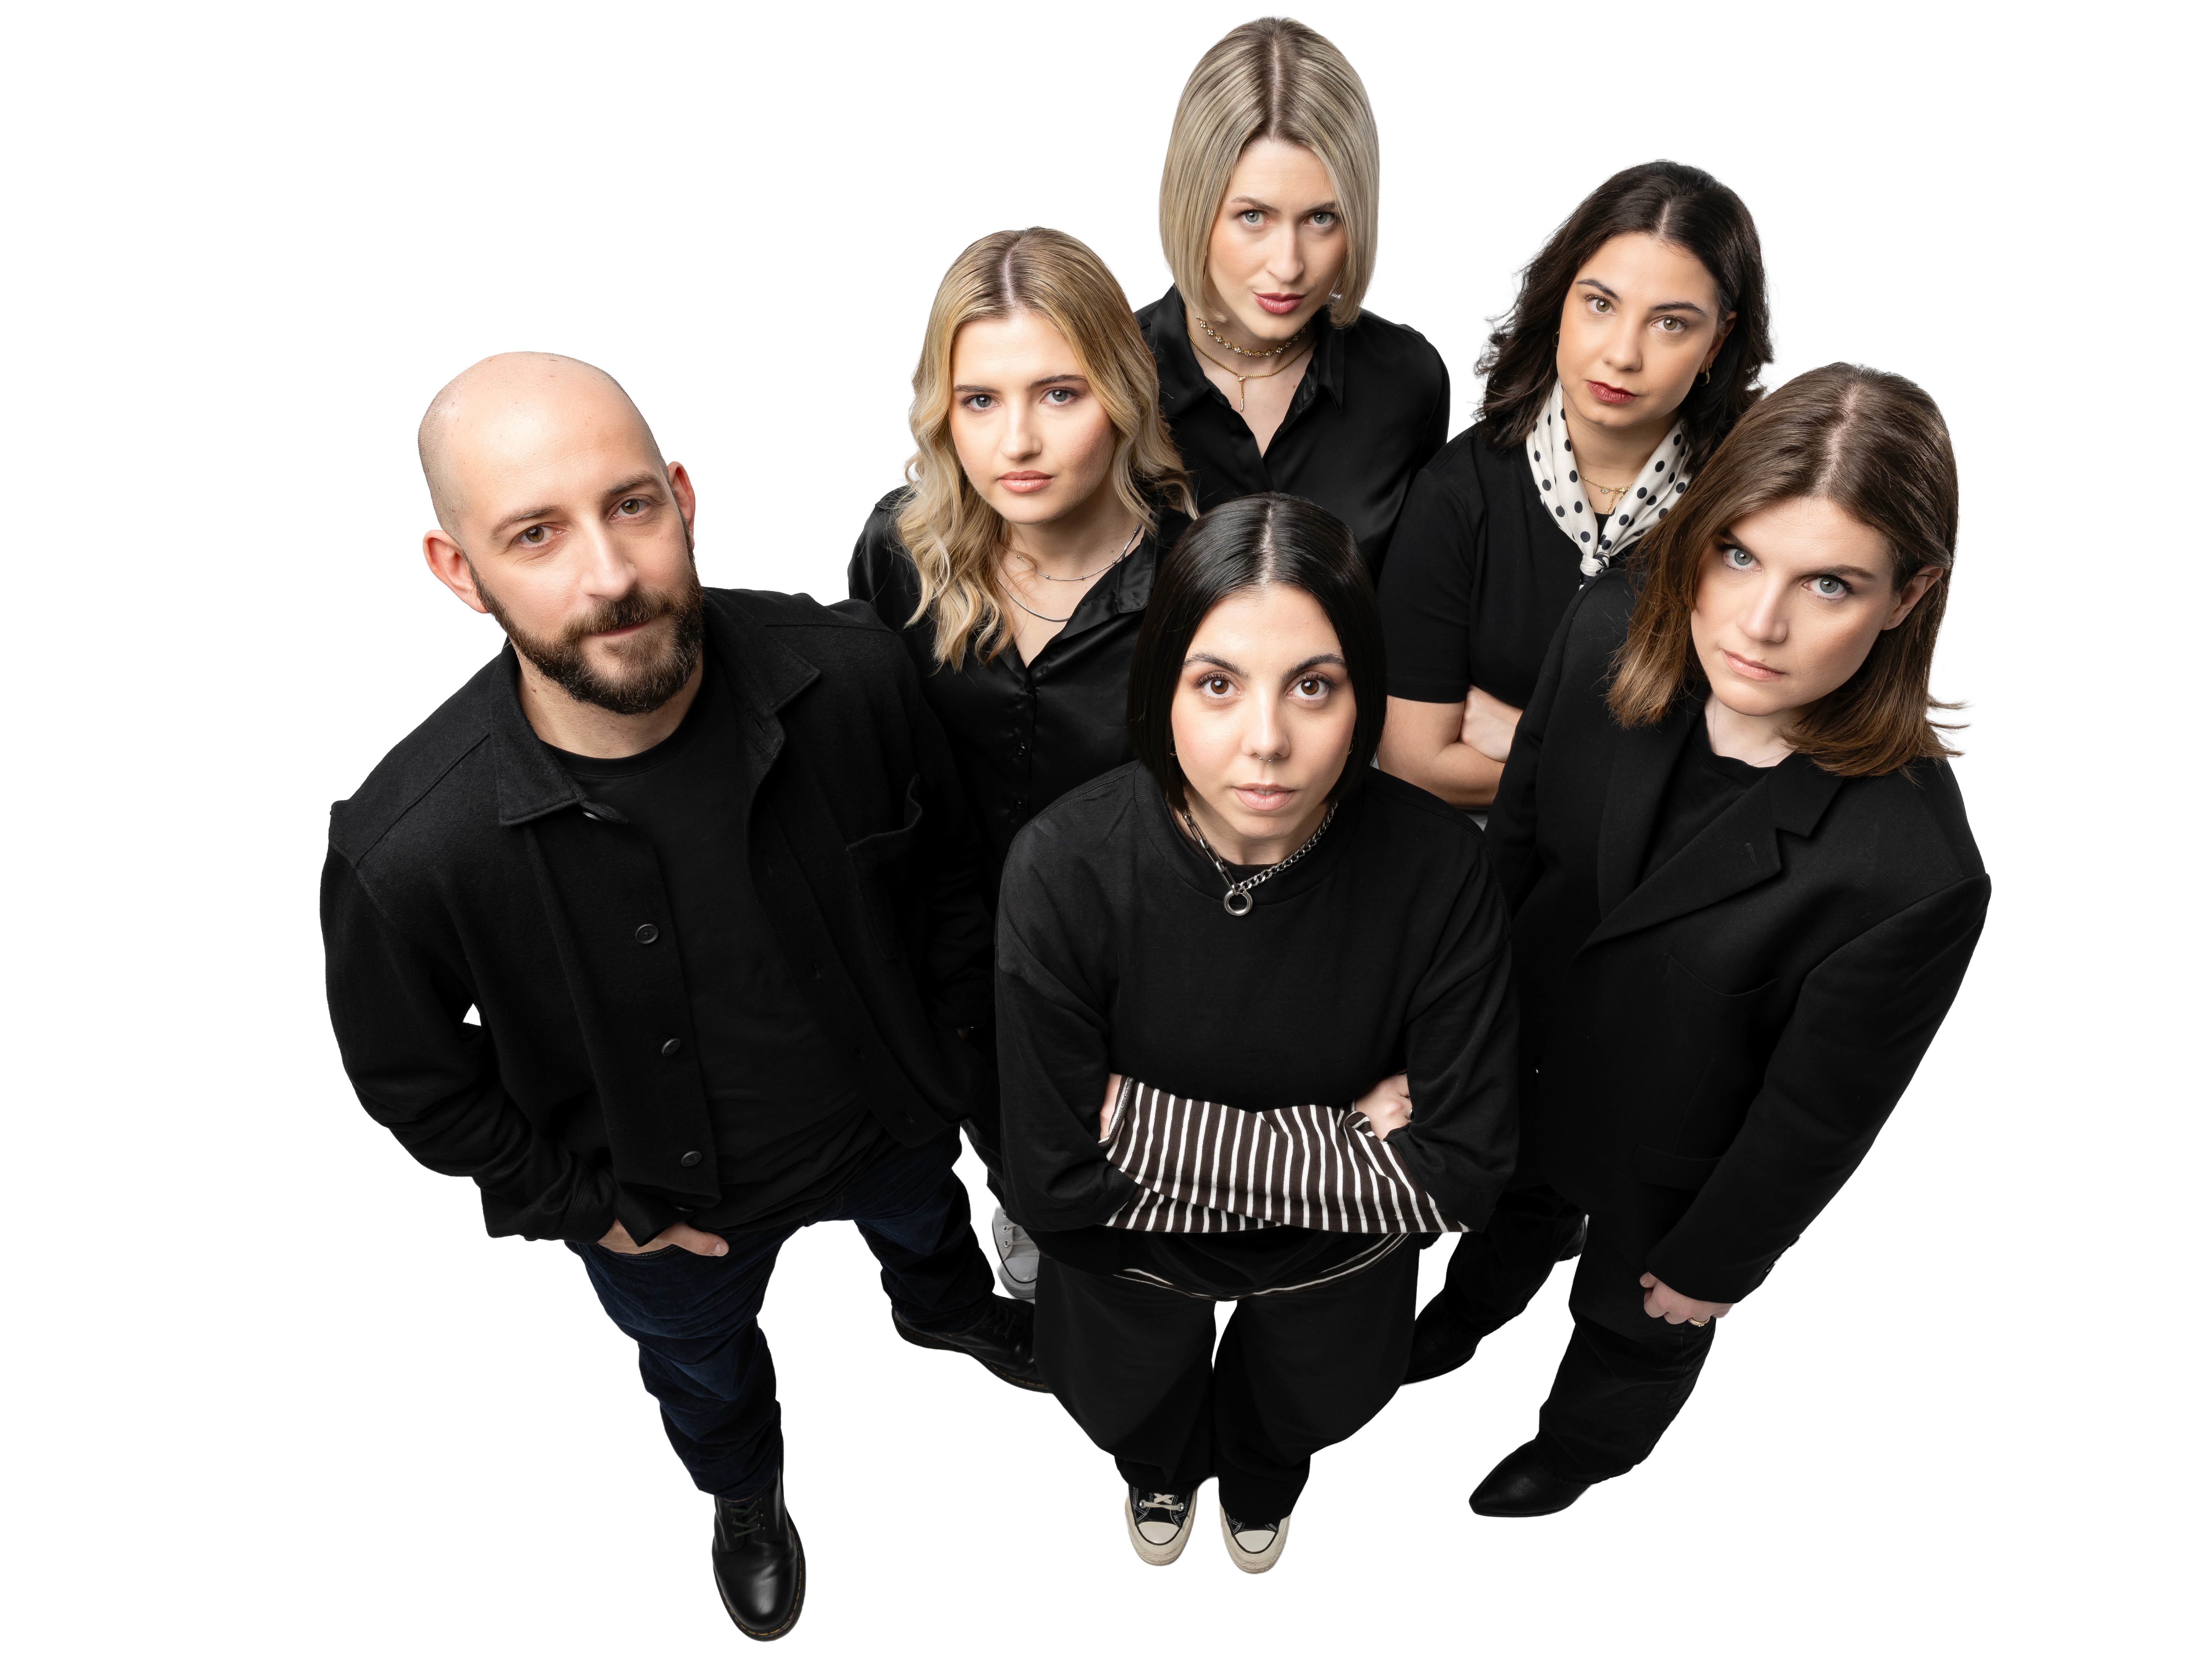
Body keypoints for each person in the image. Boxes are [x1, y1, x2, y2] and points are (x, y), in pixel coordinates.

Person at [322, 354, 1043, 1642]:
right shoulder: (408, 848)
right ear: (458, 571)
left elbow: (950, 890)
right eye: (534, 534)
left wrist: (952, 1067)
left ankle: (941, 1310)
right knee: (704, 1371)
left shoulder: (856, 675)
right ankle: (745, 1490)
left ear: (685, 497)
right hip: (667, 1210)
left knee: (926, 1228)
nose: (608, 574)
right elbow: (416, 1081)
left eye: (632, 505)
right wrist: (590, 1207)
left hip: (889, 1117)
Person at [1407, 365, 1991, 1519]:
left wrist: (1717, 1263)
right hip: (1516, 1068)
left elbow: (1816, 1115)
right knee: (1508, 1219)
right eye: (1737, 555)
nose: (1759, 623)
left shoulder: (1912, 872)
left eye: (1828, 582)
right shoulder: (1607, 623)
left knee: (1636, 1325)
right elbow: (1510, 857)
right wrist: (1440, 1043)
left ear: (1907, 595)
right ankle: (1472, 1310)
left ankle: (1580, 1447)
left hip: (1670, 1165)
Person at [996, 494, 1518, 1571]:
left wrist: (1133, 1124)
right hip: (1130, 1266)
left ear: (1363, 693)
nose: (1268, 741)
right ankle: (1161, 1471)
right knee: (1137, 1413)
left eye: (1314, 686)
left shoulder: (1440, 867)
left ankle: (1263, 1482)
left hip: (1334, 1274)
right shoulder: (1063, 864)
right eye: (1218, 684)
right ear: (1162, 689)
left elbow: (1463, 1174)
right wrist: (1348, 1143)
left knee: (1292, 1416)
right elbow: (1050, 1185)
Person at [850, 228, 1194, 1301]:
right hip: (966, 970)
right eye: (981, 400)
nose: (1019, 442)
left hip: (1144, 973)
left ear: (1123, 394)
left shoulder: (1203, 573)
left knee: (1149, 1205)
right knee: (1034, 1189)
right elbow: (872, 757)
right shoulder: (898, 552)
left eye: (1059, 392)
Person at [1378, 161, 1772, 811]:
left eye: (1670, 323)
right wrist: (1639, 776)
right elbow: (1414, 765)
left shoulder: (1753, 511)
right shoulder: (1458, 493)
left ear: (1716, 342)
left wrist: (1533, 740)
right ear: (1559, 299)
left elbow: (1763, 772)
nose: (1622, 353)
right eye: (1600, 304)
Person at [1137, 17, 1450, 577]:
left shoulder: (1407, 382)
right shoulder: (1107, 376)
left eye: (1322, 218)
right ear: (1193, 206)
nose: (1289, 264)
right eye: (1253, 216)